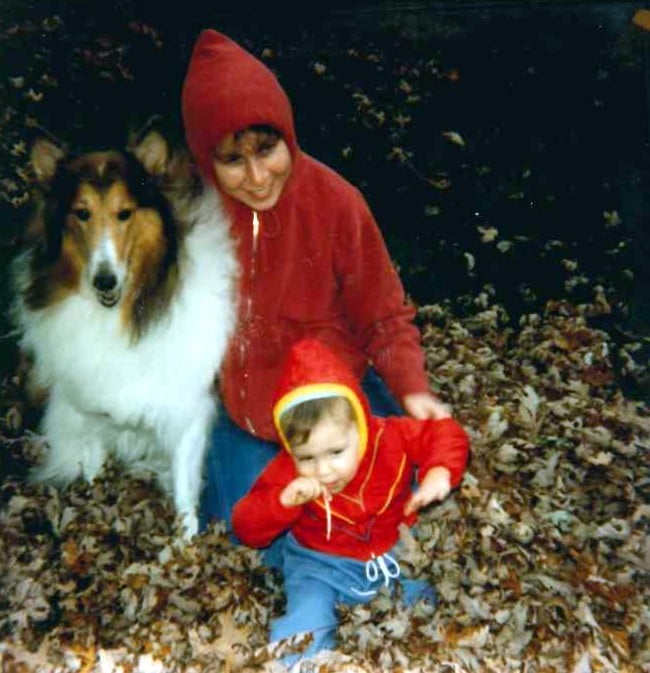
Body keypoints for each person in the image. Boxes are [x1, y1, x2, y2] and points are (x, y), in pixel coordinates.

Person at [180, 29, 456, 554]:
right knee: (250, 529)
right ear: (204, 161)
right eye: (233, 161)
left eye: (268, 150)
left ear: (288, 135)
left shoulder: (336, 202)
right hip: (250, 415)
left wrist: (412, 388)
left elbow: (384, 318)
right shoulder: (194, 220)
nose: (257, 177)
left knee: (395, 503)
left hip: (334, 402)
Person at [232, 338, 470, 666]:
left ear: (361, 426)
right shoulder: (288, 472)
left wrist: (440, 470)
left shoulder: (389, 436)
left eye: (336, 452)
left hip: (394, 555)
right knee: (306, 623)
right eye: (307, 457)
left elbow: (443, 432)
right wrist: (283, 502)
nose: (323, 470)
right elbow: (246, 526)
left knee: (424, 611)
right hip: (320, 566)